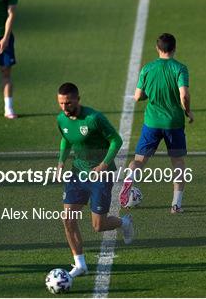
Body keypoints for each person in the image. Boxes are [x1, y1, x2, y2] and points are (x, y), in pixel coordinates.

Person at [56, 82, 134, 278]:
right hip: (78, 172)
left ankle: (124, 223)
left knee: (98, 226)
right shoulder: (61, 119)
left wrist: (104, 165)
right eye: (61, 103)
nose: (64, 107)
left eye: (68, 103)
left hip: (101, 174)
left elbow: (116, 140)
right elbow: (66, 139)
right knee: (67, 218)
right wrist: (60, 162)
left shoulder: (94, 118)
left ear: (78, 100)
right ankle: (80, 264)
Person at [120, 33, 194, 214]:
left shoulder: (147, 68)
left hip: (151, 122)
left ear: (157, 48)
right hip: (174, 123)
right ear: (174, 48)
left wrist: (148, 94)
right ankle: (176, 204)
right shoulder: (180, 68)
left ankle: (129, 178)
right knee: (177, 162)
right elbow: (183, 94)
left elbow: (138, 97)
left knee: (139, 160)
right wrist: (188, 111)